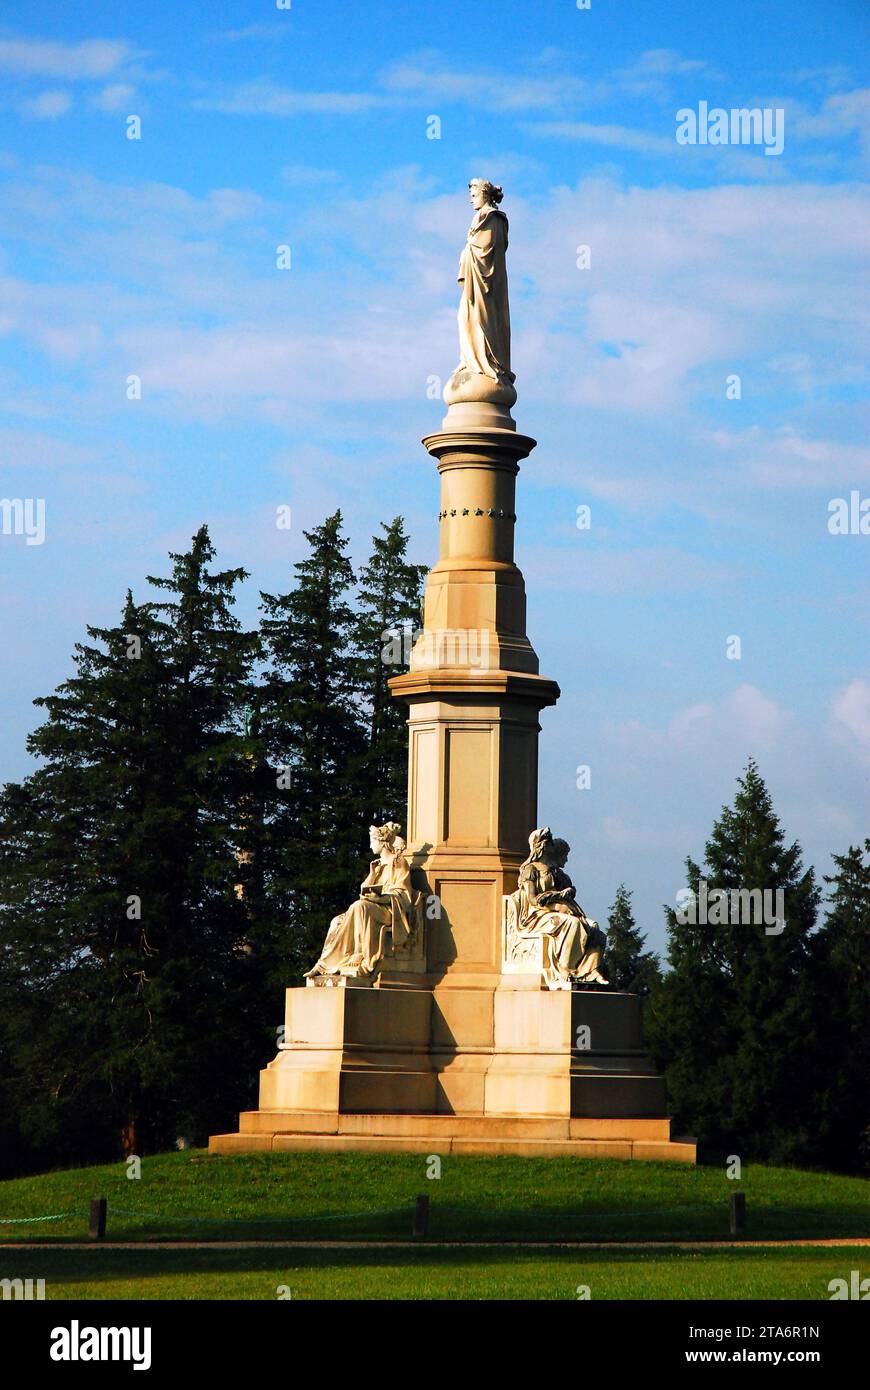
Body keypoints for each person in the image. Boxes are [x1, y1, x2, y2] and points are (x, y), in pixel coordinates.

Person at [304, 822, 415, 980]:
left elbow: (402, 893)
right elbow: (365, 889)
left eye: (372, 842)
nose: (370, 846)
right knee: (336, 921)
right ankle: (324, 964)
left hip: (389, 910)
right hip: (371, 908)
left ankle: (359, 956)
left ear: (382, 842)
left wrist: (380, 898)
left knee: (360, 907)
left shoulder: (398, 863)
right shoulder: (375, 866)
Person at [515, 827, 609, 985]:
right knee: (572, 924)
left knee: (594, 927)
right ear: (542, 846)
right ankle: (565, 966)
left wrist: (569, 892)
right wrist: (558, 895)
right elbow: (532, 900)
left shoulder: (554, 871)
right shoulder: (530, 869)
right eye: (549, 841)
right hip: (538, 915)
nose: (552, 844)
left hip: (558, 911)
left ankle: (590, 971)